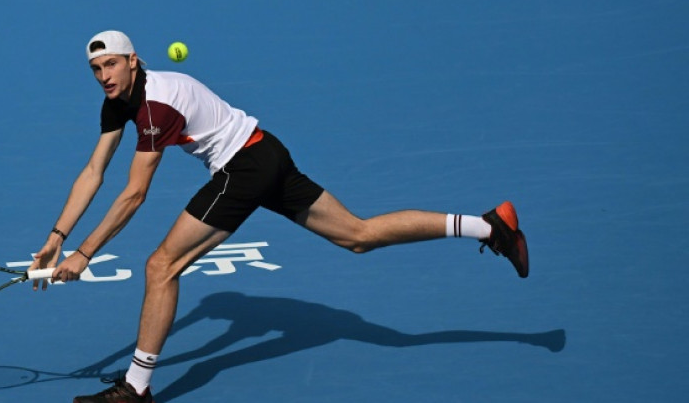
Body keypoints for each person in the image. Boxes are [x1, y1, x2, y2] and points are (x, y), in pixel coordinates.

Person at [29, 30, 529, 403]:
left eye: (111, 65)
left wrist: (86, 253)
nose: (104, 76)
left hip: (243, 167)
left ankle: (137, 388)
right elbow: (94, 171)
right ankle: (491, 225)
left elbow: (134, 194)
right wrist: (58, 236)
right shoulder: (119, 102)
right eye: (96, 70)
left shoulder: (156, 106)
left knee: (161, 266)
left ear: (134, 60)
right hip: (266, 152)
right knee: (358, 235)